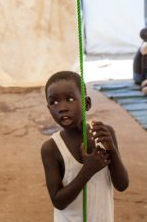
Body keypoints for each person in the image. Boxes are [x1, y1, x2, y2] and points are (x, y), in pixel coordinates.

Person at [41, 71, 128, 222]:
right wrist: (87, 171)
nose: (62, 107)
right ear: (49, 109)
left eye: (69, 99)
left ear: (86, 104)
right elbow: (58, 201)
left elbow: (122, 185)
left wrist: (112, 150)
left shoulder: (105, 134)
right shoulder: (51, 148)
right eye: (54, 102)